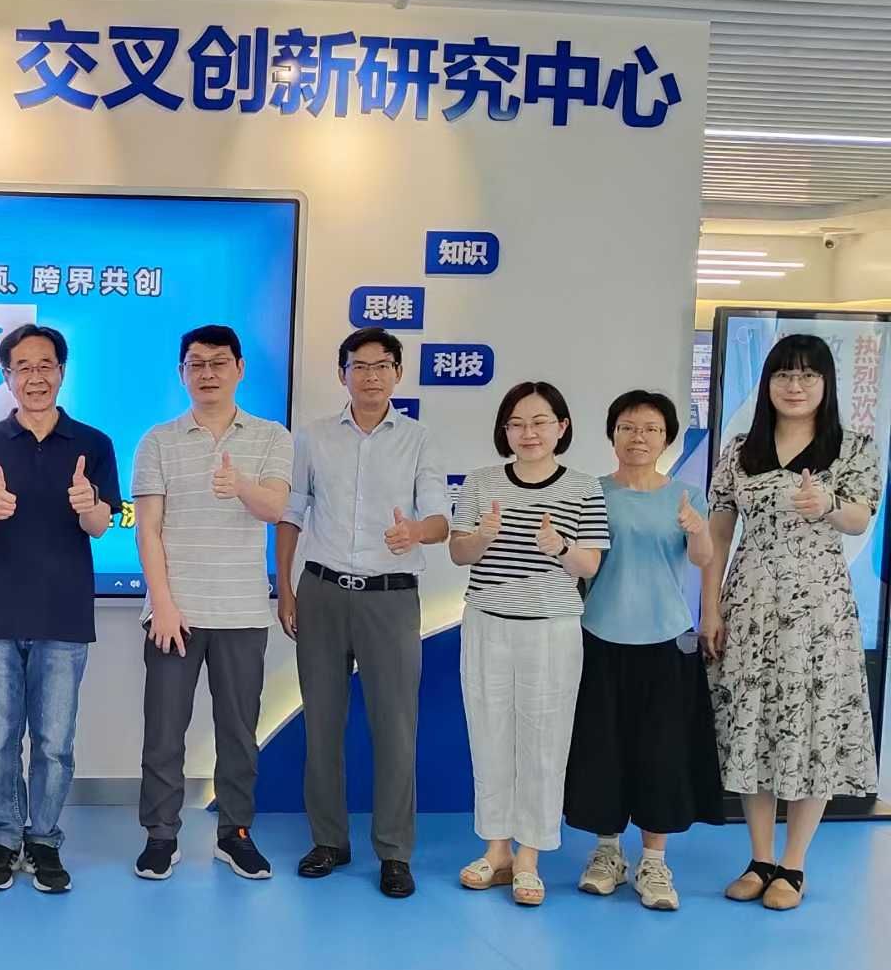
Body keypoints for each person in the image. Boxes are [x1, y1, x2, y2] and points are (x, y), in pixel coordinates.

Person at [701, 334, 880, 911]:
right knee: (752, 725)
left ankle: (794, 864)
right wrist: (710, 607)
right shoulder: (740, 450)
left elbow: (861, 518)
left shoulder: (853, 446)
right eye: (783, 375)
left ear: (826, 383)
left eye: (807, 376)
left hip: (820, 613)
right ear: (768, 384)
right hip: (750, 603)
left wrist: (828, 506)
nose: (794, 386)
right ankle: (759, 858)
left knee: (813, 726)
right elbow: (719, 532)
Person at [275, 327, 447, 898]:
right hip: (322, 592)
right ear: (342, 374)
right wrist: (287, 589)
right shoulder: (314, 437)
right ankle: (328, 841)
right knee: (322, 725)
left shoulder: (419, 439)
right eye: (359, 366)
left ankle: (394, 852)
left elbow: (440, 520)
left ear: (397, 373)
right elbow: (292, 514)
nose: (370, 376)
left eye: (381, 366)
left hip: (390, 598)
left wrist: (414, 531)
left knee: (395, 729)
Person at [0, 323, 122, 894]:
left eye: (45, 365)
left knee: (54, 743)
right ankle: (3, 840)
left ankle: (44, 840)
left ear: (61, 371)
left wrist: (89, 503)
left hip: (63, 614)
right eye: (22, 367)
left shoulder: (93, 443)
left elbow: (101, 526)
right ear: (7, 377)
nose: (35, 376)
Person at [132, 325, 293, 884]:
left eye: (218, 362)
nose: (207, 373)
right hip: (174, 613)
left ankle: (235, 834)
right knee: (164, 732)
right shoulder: (158, 441)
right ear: (182, 373)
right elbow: (147, 530)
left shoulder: (271, 436)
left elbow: (275, 509)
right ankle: (161, 835)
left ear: (239, 369)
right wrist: (163, 603)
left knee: (238, 733)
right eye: (196, 364)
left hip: (242, 612)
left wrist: (240, 485)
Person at [562, 390, 723, 912]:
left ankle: (654, 861)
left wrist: (697, 531)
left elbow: (702, 559)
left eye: (651, 429)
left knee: (662, 752)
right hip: (601, 636)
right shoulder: (591, 493)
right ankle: (607, 853)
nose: (639, 437)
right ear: (612, 434)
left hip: (666, 641)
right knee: (602, 748)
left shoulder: (685, 496)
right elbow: (579, 562)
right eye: (628, 427)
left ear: (667, 438)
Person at [449, 381, 608, 907]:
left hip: (551, 628)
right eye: (517, 423)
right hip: (487, 622)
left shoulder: (583, 487)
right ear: (505, 430)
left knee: (544, 743)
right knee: (489, 735)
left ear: (562, 427)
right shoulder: (480, 482)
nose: (528, 432)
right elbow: (458, 553)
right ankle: (496, 850)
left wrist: (558, 546)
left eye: (540, 422)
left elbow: (589, 564)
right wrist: (483, 536)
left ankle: (529, 857)